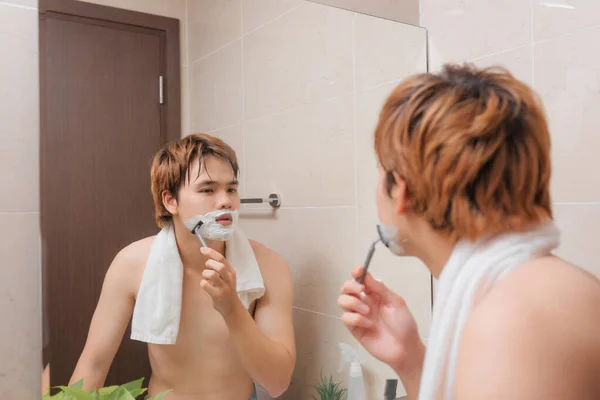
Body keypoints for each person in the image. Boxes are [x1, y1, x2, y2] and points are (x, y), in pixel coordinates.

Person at [338, 64, 600, 399]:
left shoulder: (511, 322)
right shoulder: (535, 293)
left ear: (401, 190)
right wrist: (412, 361)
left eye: (380, 170)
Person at [70, 134, 295, 399]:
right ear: (170, 201)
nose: (226, 201)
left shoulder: (268, 265)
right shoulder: (131, 264)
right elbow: (93, 366)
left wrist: (232, 308)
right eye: (208, 190)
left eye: (231, 189)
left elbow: (278, 382)